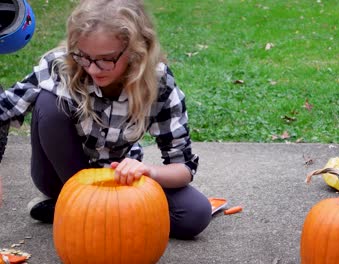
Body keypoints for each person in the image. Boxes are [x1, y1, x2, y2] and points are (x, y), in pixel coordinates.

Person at [0, 0, 212, 239]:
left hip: (116, 179)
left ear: (135, 51)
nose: (93, 69)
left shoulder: (158, 83)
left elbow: (182, 168)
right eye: (84, 56)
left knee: (194, 213)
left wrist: (147, 171)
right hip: (59, 178)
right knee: (49, 102)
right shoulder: (59, 65)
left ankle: (81, 215)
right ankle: (73, 205)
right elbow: (3, 108)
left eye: (106, 59)